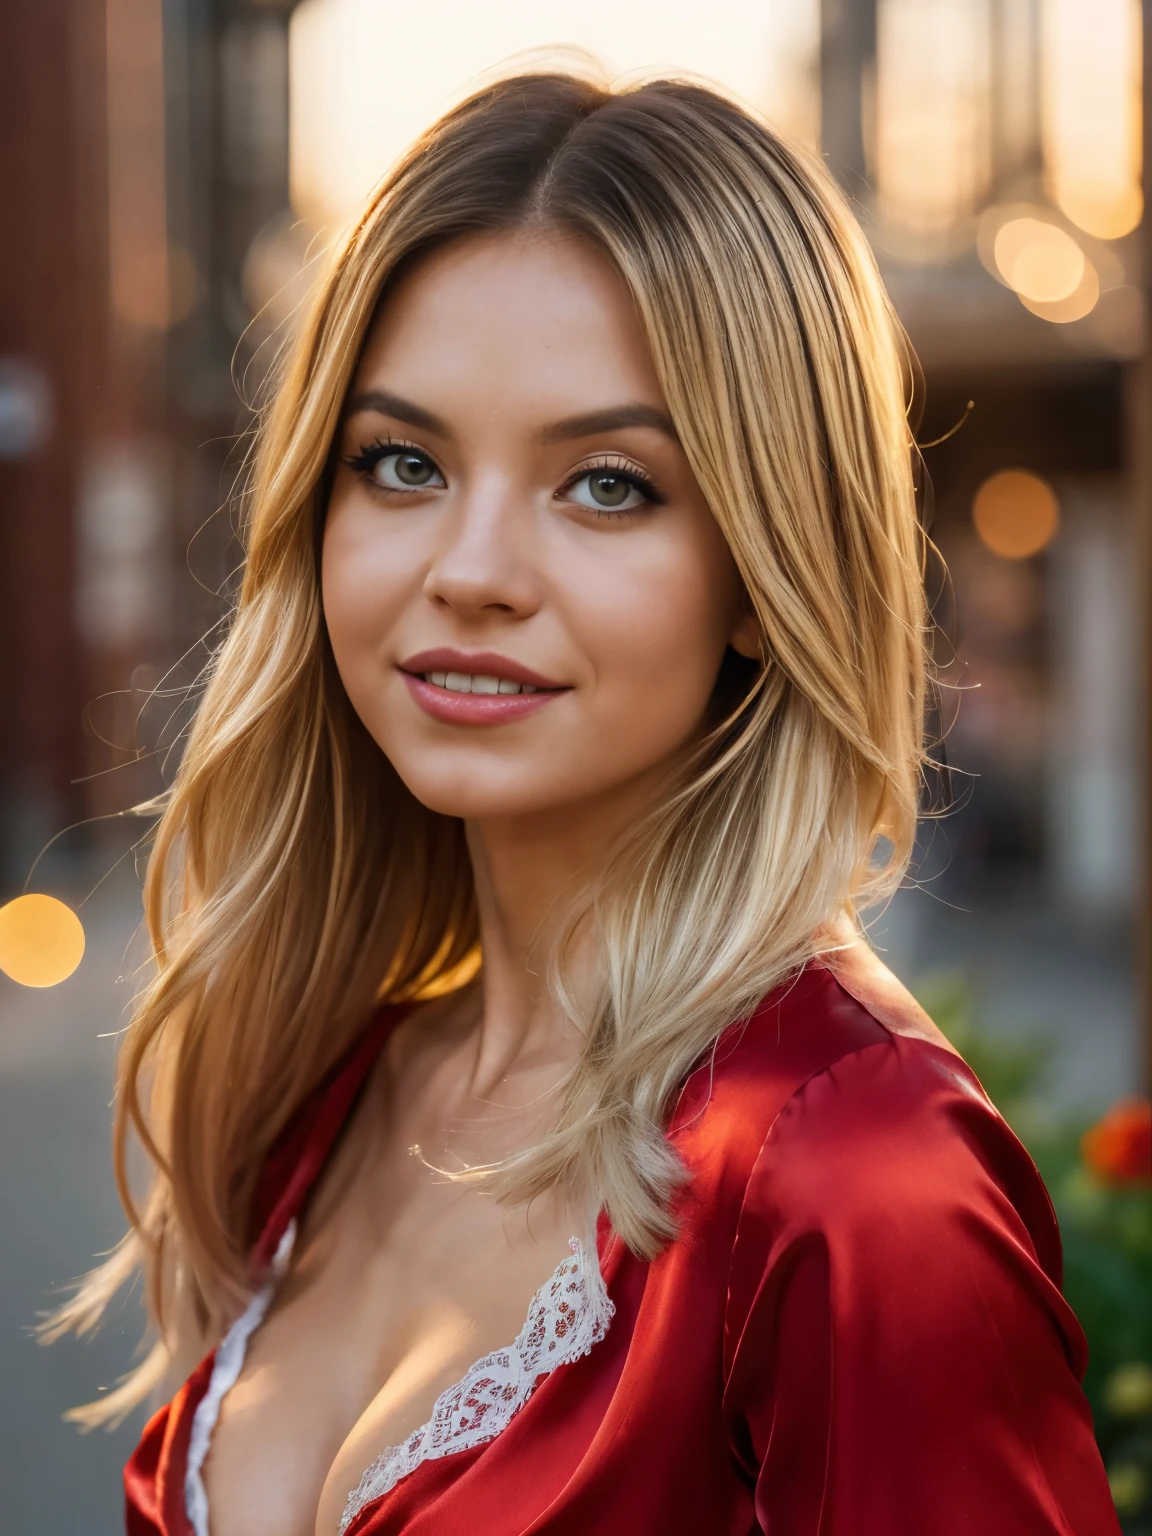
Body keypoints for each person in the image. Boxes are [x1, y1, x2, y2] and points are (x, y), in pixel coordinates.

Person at [57, 71, 1118, 1535]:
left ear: (763, 573)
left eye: (608, 484)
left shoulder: (851, 1163)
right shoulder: (336, 1077)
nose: (473, 567)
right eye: (403, 463)